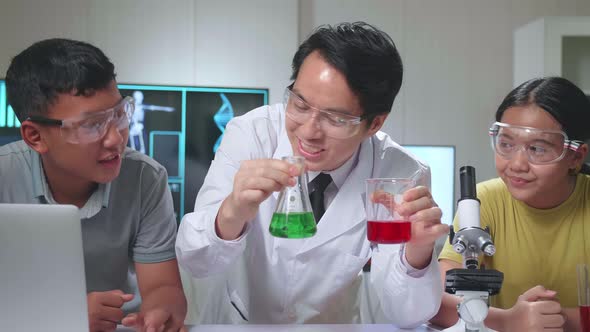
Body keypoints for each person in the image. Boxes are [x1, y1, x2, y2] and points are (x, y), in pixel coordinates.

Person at [176, 22, 449, 325]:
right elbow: (196, 262)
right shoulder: (251, 135)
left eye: (335, 118)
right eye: (300, 104)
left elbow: (407, 315)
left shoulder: (400, 174)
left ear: (374, 124)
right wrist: (231, 213)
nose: (308, 132)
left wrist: (417, 253)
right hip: (240, 323)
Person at [0, 38, 187, 332]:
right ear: (35, 136)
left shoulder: (146, 178)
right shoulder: (4, 174)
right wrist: (63, 316)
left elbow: (164, 286)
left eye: (119, 114)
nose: (115, 138)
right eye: (91, 125)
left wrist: (161, 311)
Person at [431, 77, 590, 332]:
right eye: (506, 144)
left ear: (575, 156)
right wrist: (510, 321)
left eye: (537, 148)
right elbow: (436, 301)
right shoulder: (484, 201)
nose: (517, 164)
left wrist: (552, 318)